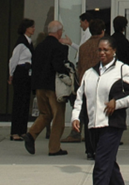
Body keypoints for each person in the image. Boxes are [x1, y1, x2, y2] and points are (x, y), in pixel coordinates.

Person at [72, 37, 129, 185]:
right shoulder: (90, 72)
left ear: (114, 51)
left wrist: (117, 103)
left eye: (106, 50)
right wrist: (75, 117)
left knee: (101, 168)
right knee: (110, 169)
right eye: (100, 50)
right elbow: (80, 97)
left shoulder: (123, 70)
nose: (102, 53)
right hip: (93, 126)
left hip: (112, 125)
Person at [24, 21, 69, 156]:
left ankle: (31, 134)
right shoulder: (58, 47)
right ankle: (54, 148)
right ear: (59, 32)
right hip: (53, 87)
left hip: (39, 86)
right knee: (58, 116)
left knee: (45, 114)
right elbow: (59, 66)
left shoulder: (39, 46)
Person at [76, 19, 107, 159]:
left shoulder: (83, 47)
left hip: (85, 85)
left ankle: (89, 149)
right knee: (101, 118)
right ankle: (99, 146)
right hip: (101, 86)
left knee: (88, 118)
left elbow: (80, 66)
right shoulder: (104, 47)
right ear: (102, 31)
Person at [8, 19, 35, 141]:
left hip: (27, 73)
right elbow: (13, 59)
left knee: (25, 102)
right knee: (19, 102)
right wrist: (11, 74)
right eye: (32, 27)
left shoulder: (29, 42)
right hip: (20, 73)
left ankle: (22, 130)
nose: (34, 29)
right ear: (26, 28)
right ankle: (15, 132)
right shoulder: (21, 43)